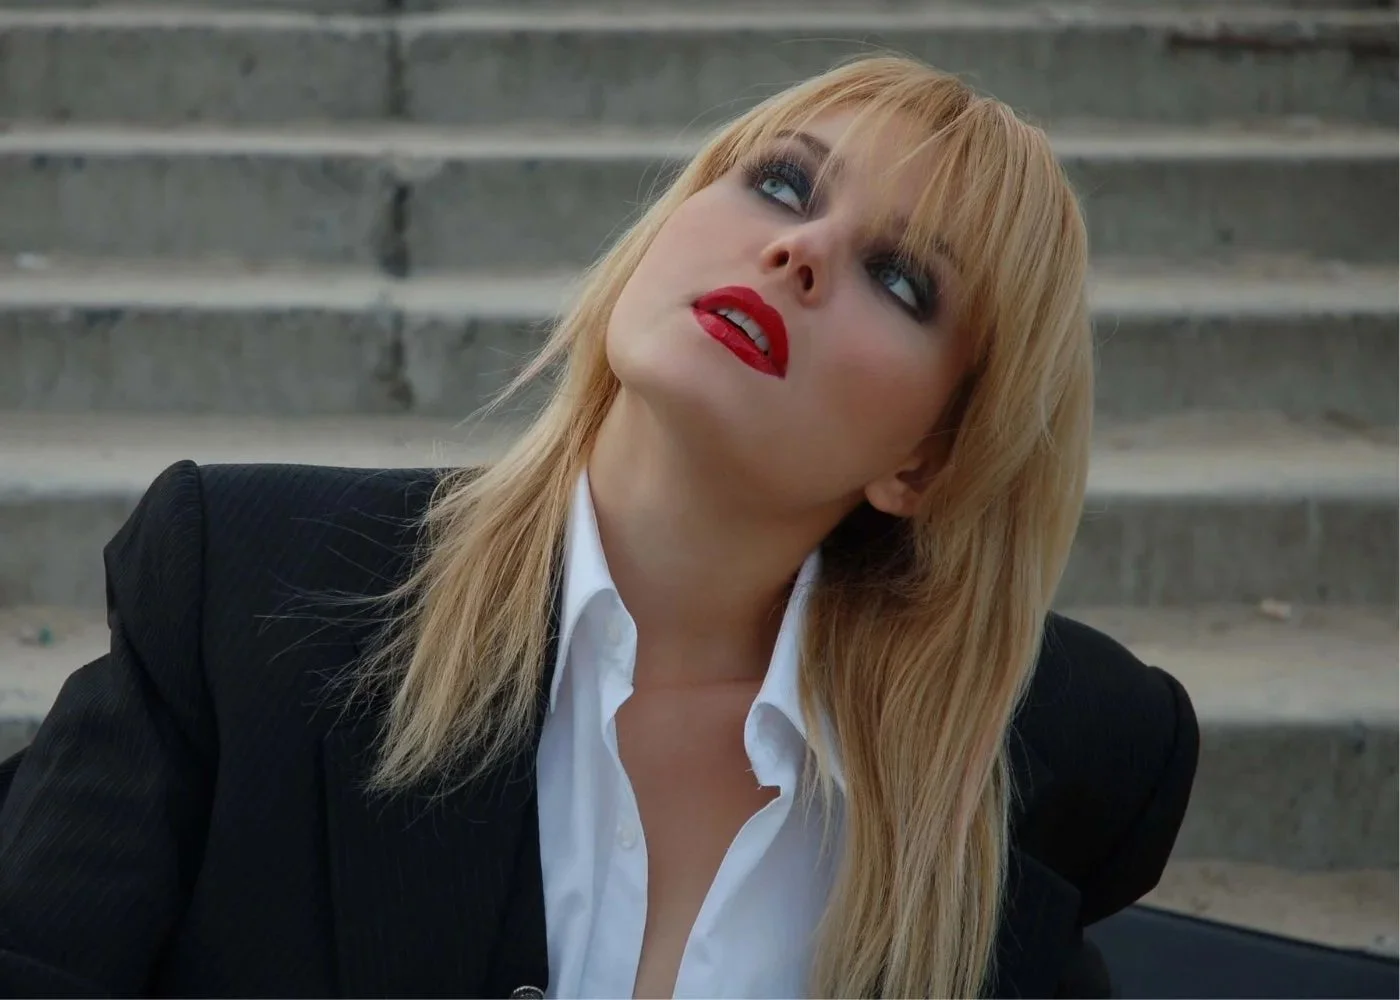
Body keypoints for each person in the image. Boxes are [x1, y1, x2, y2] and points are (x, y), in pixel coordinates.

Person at [0, 55, 1197, 999]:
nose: (797, 249)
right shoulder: (246, 586)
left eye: (899, 279)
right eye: (782, 182)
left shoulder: (1030, 760)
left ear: (925, 459)